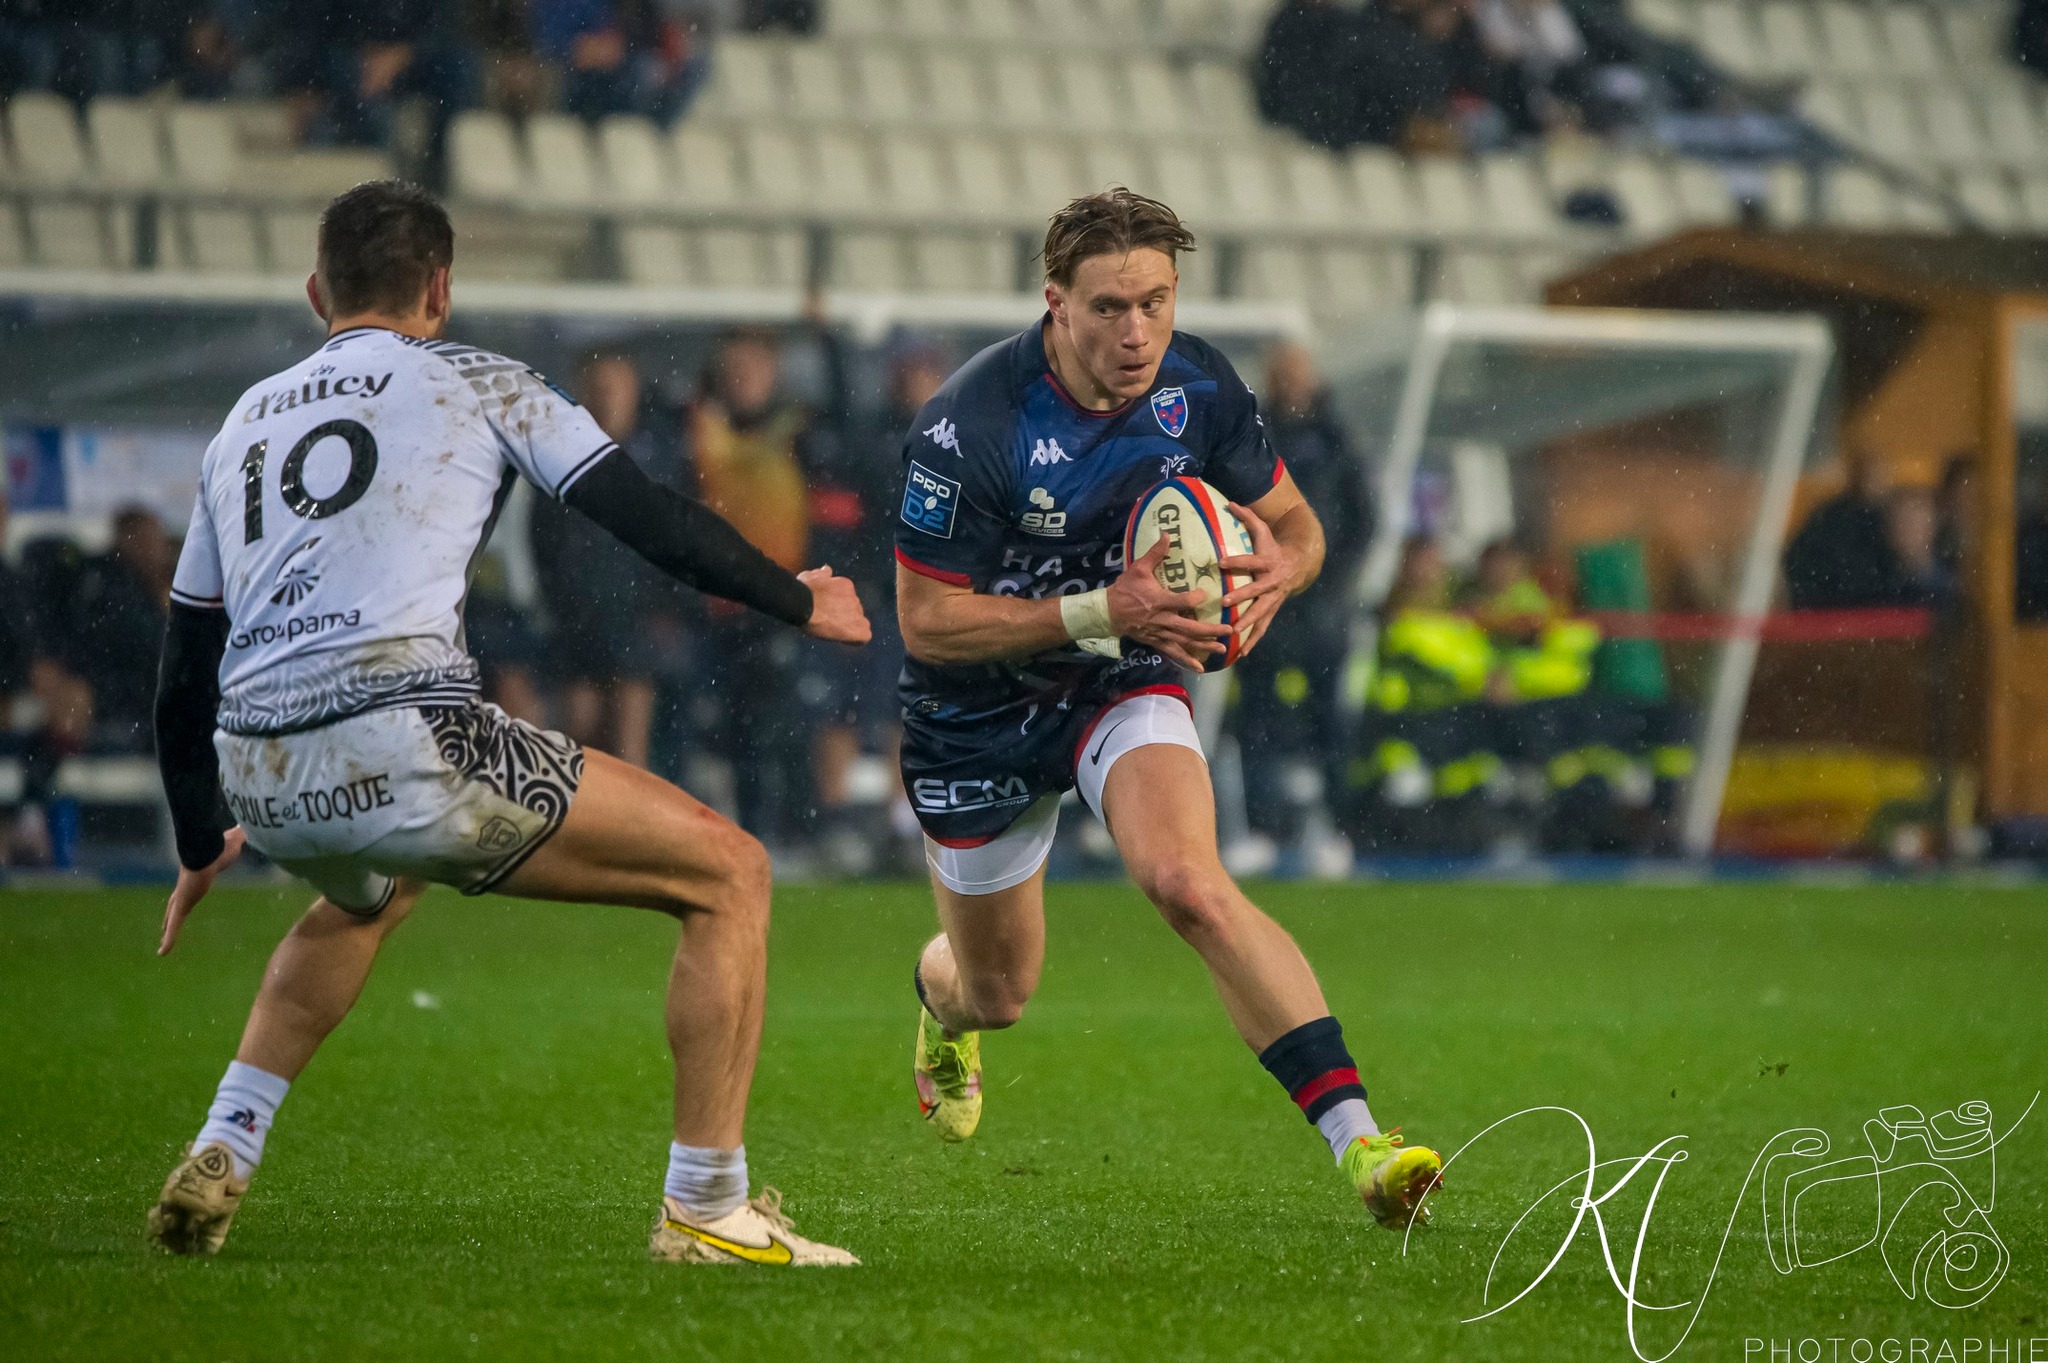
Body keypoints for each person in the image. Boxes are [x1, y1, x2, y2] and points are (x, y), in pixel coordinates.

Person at [146, 180, 869, 1267]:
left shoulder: (242, 424)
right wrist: (798, 598)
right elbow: (644, 517)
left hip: (259, 768)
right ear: (439, 289)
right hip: (409, 739)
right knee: (730, 872)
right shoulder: (478, 379)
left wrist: (201, 837)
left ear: (314, 293)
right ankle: (706, 1208)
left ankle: (224, 1143)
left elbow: (181, 666)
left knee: (366, 900)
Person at [891, 188, 1442, 1229]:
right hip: (973, 715)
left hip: (1120, 675)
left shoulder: (1199, 386)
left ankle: (1363, 1146)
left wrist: (1279, 573)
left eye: (1154, 301)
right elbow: (924, 622)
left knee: (1190, 883)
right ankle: (936, 1003)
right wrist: (1105, 601)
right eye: (1107, 306)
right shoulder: (968, 427)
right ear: (1054, 302)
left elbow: (1295, 525)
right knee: (996, 991)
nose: (1135, 331)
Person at [1231, 341, 1372, 847]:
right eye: (1280, 374)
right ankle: (1264, 831)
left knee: (1330, 719)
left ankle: (1336, 829)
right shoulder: (1251, 436)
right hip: (1264, 604)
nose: (1289, 383)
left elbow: (1363, 521)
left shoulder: (1336, 441)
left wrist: (1330, 580)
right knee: (1258, 717)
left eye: (1296, 373)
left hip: (1324, 611)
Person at [527, 349, 670, 768]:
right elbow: (544, 542)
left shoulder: (656, 459)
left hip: (636, 617)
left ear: (634, 389)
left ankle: (630, 831)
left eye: (616, 386)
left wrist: (665, 606)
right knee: (578, 744)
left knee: (630, 751)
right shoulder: (559, 460)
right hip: (578, 617)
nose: (607, 398)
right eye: (598, 386)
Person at [1782, 451, 1897, 610]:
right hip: (1833, 609)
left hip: (1878, 611)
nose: (1872, 481)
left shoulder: (1895, 518)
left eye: (1878, 474)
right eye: (1867, 474)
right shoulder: (1829, 517)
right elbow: (1800, 559)